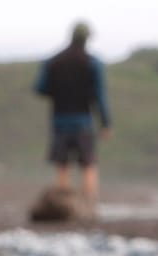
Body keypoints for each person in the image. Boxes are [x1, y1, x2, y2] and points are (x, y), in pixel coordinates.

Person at [35, 21, 112, 210]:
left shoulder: (52, 62)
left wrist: (57, 91)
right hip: (83, 121)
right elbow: (99, 95)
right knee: (88, 163)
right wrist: (105, 123)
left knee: (62, 163)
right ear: (87, 39)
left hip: (60, 120)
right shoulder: (92, 63)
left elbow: (40, 88)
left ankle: (63, 205)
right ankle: (89, 205)